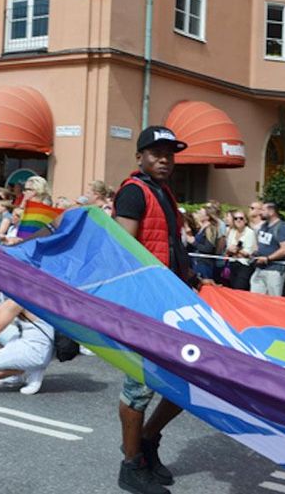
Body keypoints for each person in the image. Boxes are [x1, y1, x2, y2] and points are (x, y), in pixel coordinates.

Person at [112, 125, 195, 494]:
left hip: (172, 303)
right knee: (139, 388)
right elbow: (122, 250)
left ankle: (147, 440)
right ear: (140, 157)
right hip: (145, 307)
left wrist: (193, 277)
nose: (164, 159)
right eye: (156, 152)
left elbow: (170, 245)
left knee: (184, 383)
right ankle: (130, 465)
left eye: (170, 153)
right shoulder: (134, 192)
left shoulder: (164, 193)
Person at [0, 290, 54, 395]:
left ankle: (24, 369)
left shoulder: (21, 298)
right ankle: (14, 370)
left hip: (35, 350)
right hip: (29, 340)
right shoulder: (24, 293)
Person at [250, 203, 285, 296]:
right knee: (254, 298)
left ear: (272, 211)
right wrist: (254, 254)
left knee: (273, 299)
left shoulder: (281, 227)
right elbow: (259, 244)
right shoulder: (264, 226)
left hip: (274, 270)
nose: (260, 212)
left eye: (263, 210)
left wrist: (268, 258)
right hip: (259, 268)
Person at [224, 210, 256, 290]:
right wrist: (235, 250)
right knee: (232, 288)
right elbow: (228, 249)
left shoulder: (250, 232)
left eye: (241, 218)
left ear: (245, 220)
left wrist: (236, 250)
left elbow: (248, 253)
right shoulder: (232, 231)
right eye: (235, 218)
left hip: (244, 265)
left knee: (240, 288)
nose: (238, 220)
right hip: (232, 264)